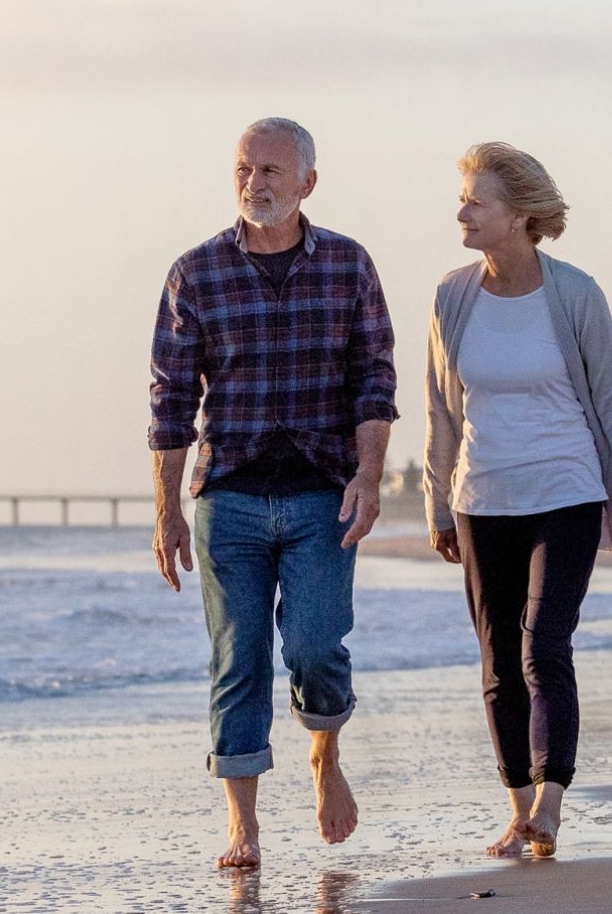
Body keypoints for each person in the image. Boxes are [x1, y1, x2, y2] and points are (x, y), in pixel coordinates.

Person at [149, 117, 399, 869]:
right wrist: (167, 514)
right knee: (239, 659)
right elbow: (167, 402)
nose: (254, 182)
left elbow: (375, 379)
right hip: (228, 497)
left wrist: (369, 474)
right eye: (244, 169)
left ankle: (325, 755)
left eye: (270, 172)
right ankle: (244, 828)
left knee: (318, 649)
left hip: (324, 494)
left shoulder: (350, 267)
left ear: (306, 184)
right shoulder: (195, 273)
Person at [422, 142, 612, 860]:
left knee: (543, 645)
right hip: (482, 496)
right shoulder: (451, 295)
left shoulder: (576, 294)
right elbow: (441, 412)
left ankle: (551, 803)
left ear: (520, 215)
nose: (461, 211)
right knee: (497, 658)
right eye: (462, 197)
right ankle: (518, 808)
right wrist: (439, 508)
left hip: (566, 488)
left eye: (475, 200)